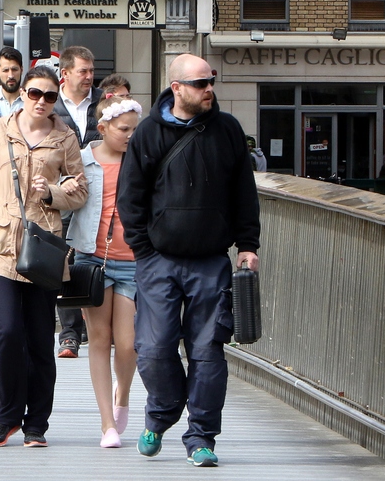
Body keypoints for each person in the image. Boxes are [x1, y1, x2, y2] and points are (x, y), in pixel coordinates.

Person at [118, 54, 261, 468]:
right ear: (177, 88)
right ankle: (160, 415)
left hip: (210, 261)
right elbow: (131, 197)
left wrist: (248, 245)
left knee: (208, 353)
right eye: (200, 84)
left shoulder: (228, 130)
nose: (209, 90)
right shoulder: (147, 133)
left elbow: (244, 193)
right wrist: (144, 250)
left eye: (211, 82)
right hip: (158, 260)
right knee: (153, 348)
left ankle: (201, 437)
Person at [0, 66, 87, 448]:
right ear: (22, 93)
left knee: (40, 338)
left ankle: (36, 423)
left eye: (50, 96)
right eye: (35, 93)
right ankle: (6, 416)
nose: (42, 101)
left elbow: (80, 191)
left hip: (43, 250)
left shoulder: (65, 137)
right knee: (6, 331)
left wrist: (52, 192)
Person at [66, 95, 144, 448]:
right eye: (123, 129)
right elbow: (66, 200)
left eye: (134, 129)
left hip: (132, 261)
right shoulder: (83, 161)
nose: (130, 135)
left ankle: (123, 394)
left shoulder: (143, 161)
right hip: (92, 259)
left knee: (127, 344)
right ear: (103, 128)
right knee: (98, 339)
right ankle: (106, 424)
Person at [52, 45, 102, 358]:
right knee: (64, 259)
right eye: (82, 71)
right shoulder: (50, 106)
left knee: (98, 254)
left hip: (99, 193)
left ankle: (96, 328)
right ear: (65, 73)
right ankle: (69, 333)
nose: (89, 77)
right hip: (63, 194)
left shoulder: (104, 103)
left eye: (91, 71)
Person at [0, 47, 24, 119]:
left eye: (14, 69)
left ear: (21, 70)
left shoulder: (33, 100)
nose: (11, 76)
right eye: (5, 70)